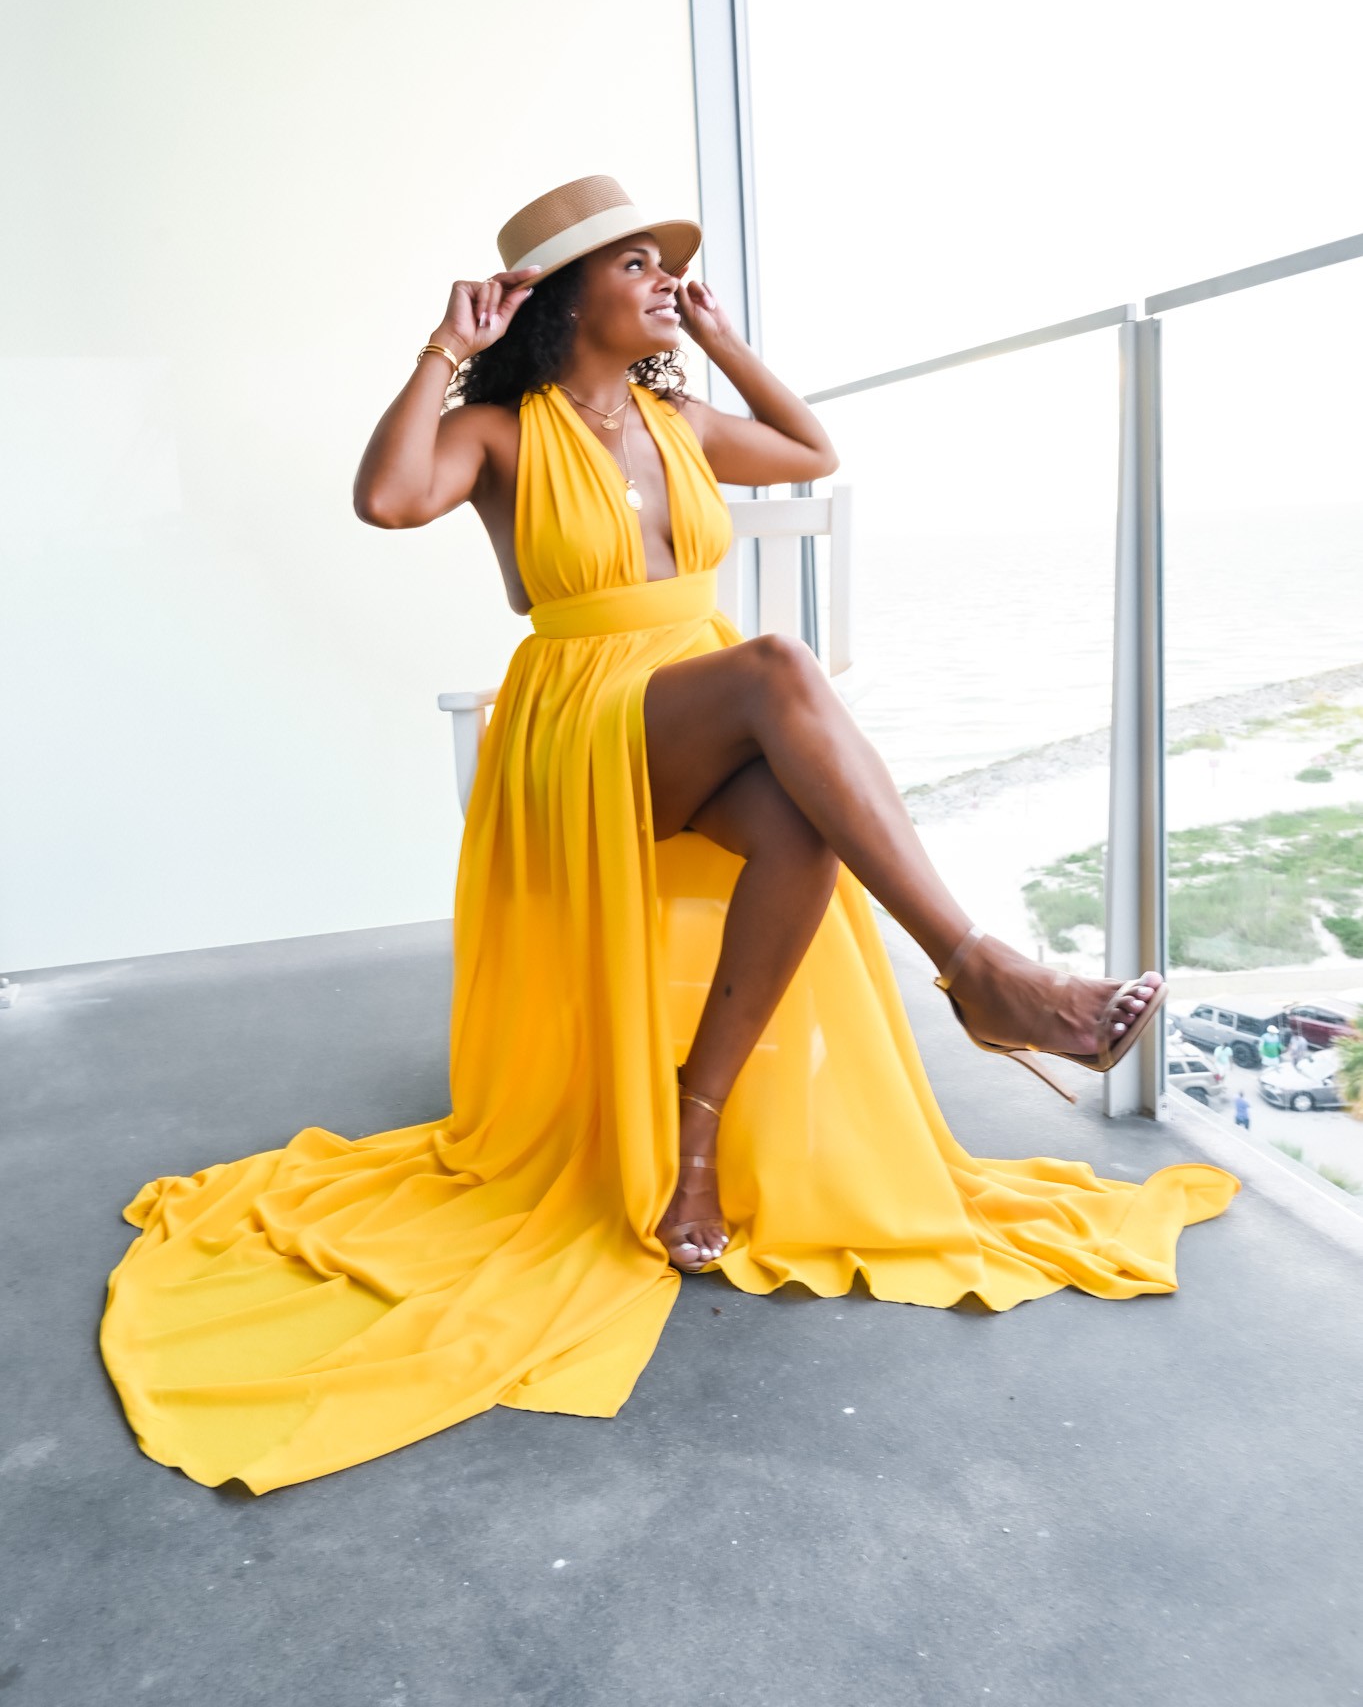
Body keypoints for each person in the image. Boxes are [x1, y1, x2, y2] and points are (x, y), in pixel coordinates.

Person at [99, 174, 1239, 1494]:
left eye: (663, 267)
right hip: (581, 728)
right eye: (632, 266)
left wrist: (726, 333)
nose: (656, 282)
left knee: (802, 826)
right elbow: (389, 500)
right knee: (780, 669)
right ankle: (983, 972)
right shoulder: (500, 430)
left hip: (692, 711)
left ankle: (696, 1139)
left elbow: (812, 454)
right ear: (559, 295)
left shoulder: (679, 416)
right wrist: (443, 349)